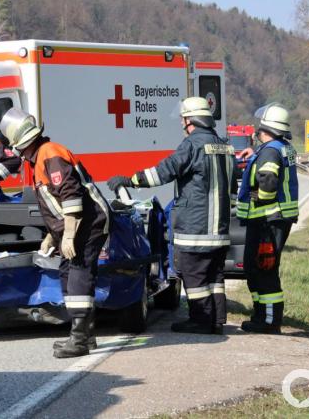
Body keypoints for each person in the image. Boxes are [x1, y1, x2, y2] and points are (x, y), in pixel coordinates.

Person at [108, 97, 234, 334]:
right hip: (220, 229)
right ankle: (217, 318)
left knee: (193, 275)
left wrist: (130, 180)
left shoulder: (191, 145)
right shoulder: (223, 145)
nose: (182, 124)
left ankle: (201, 320)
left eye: (183, 119)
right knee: (214, 277)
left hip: (196, 229)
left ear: (190, 120)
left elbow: (162, 173)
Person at [0, 108, 111, 358]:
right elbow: (55, 203)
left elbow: (71, 196)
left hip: (88, 223)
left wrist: (69, 235)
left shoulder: (50, 155)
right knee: (66, 272)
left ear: (21, 144)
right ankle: (84, 334)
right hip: (77, 224)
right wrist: (53, 235)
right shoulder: (41, 157)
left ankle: (80, 339)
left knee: (78, 273)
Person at [236, 102, 299, 334]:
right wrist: (256, 155)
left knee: (264, 269)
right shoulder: (280, 147)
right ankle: (261, 314)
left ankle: (269, 321)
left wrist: (254, 195)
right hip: (273, 219)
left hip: (268, 219)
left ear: (265, 127)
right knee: (255, 268)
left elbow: (269, 183)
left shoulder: (270, 151)